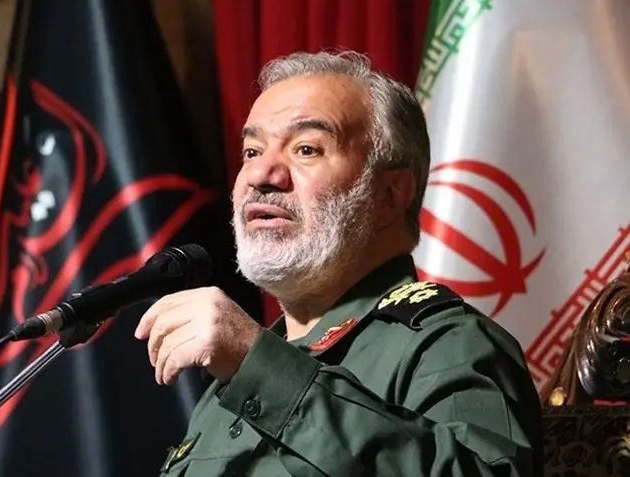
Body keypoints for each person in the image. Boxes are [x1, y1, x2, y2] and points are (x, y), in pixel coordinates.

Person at [134, 50, 543, 476]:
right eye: (252, 151)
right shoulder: (228, 381)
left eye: (306, 149)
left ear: (390, 195)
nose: (261, 175)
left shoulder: (450, 344)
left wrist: (259, 368)